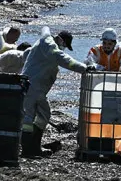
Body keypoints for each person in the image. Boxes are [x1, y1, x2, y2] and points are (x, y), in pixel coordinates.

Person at [21, 29, 89, 157]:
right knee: (28, 120)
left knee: (44, 115)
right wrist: (84, 69)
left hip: (37, 89)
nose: (63, 48)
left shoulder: (45, 47)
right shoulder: (49, 45)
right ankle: (27, 150)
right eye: (64, 45)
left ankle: (35, 146)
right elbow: (62, 59)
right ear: (59, 39)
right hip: (31, 87)